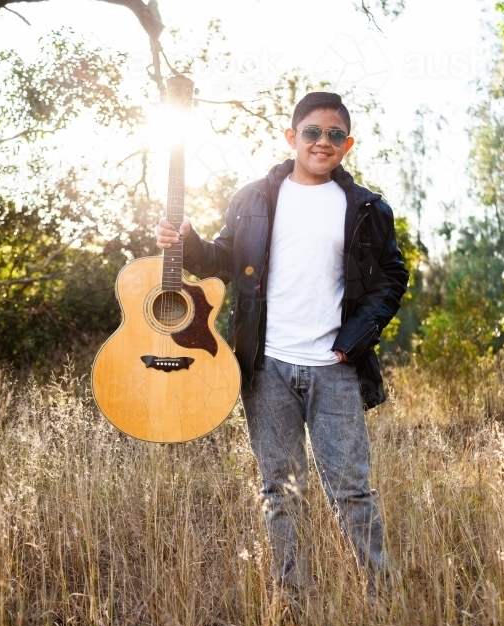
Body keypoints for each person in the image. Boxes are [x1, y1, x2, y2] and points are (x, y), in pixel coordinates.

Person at [155, 91, 409, 600]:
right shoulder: (253, 198)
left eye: (335, 135)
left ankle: (382, 598)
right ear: (292, 137)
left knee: (353, 491)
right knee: (280, 491)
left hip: (335, 368)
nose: (323, 142)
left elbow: (391, 277)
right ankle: (292, 598)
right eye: (312, 132)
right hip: (266, 366)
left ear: (348, 144)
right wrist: (187, 241)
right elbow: (222, 259)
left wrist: (354, 340)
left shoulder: (366, 208)